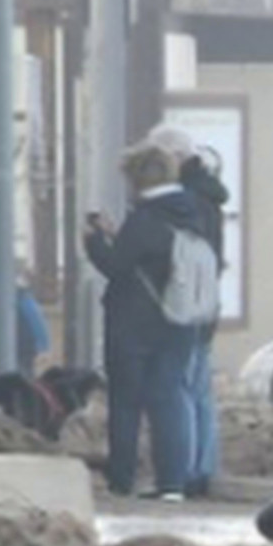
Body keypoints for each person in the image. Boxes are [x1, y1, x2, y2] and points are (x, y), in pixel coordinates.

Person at [80, 139, 202, 502]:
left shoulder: (144, 218)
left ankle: (122, 479)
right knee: (169, 398)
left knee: (127, 402)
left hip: (134, 324)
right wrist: (120, 236)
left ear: (137, 180)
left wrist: (94, 243)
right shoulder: (191, 213)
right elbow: (155, 257)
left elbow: (118, 268)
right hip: (180, 321)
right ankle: (173, 484)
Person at [170, 146, 232, 495]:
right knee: (201, 390)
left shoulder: (185, 203)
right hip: (207, 305)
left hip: (185, 306)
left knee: (183, 389)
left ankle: (187, 468)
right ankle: (204, 465)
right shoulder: (212, 202)